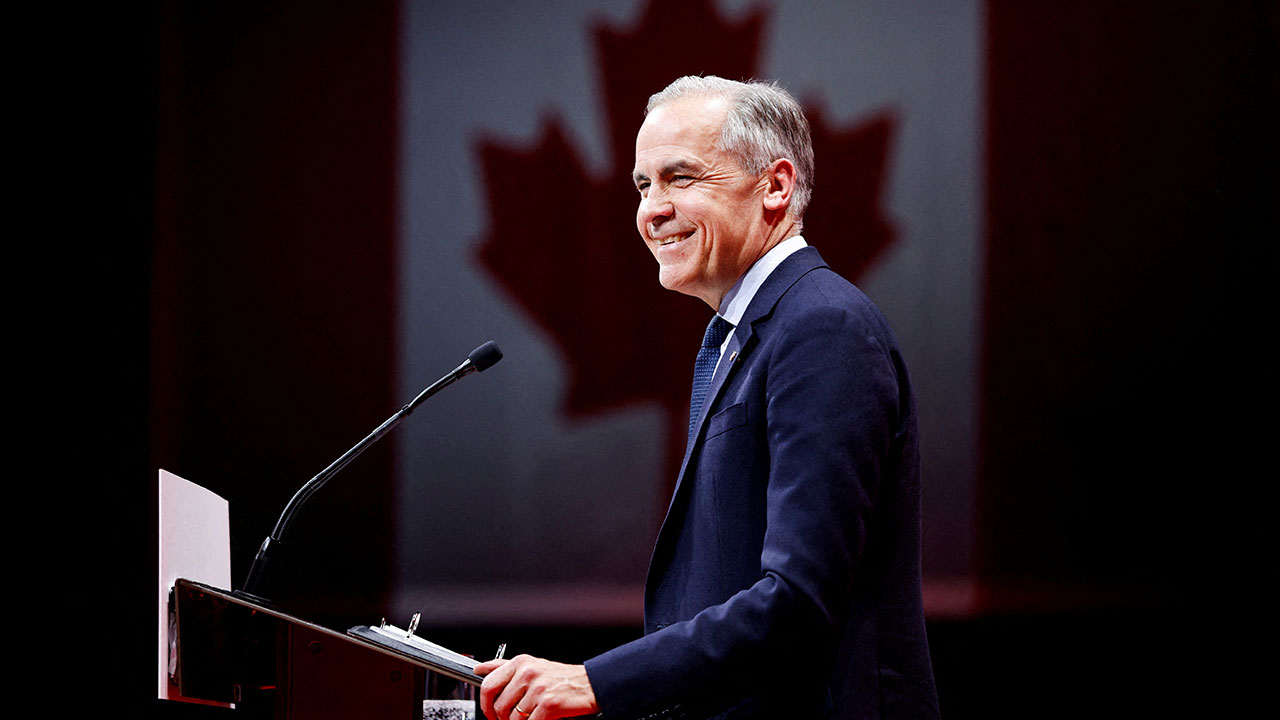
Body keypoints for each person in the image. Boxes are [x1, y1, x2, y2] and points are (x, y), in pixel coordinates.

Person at [476, 76, 940, 720]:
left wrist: (600, 682)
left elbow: (801, 597)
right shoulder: (740, 334)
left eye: (682, 178)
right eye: (643, 185)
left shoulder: (823, 327)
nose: (652, 209)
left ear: (775, 186)